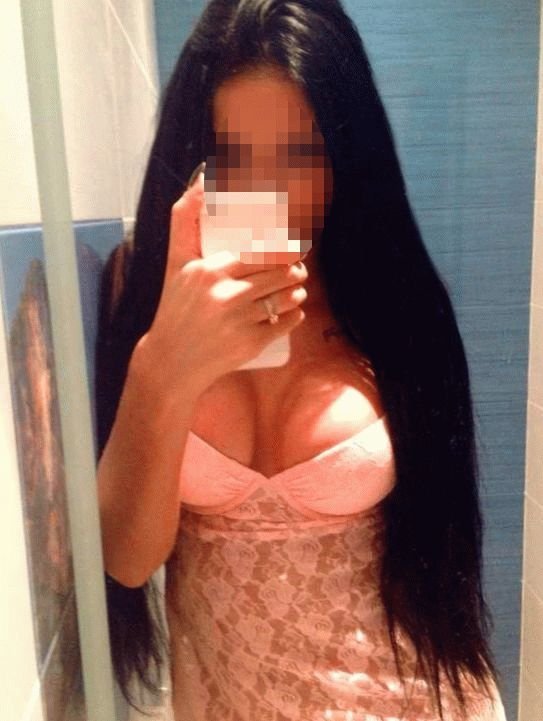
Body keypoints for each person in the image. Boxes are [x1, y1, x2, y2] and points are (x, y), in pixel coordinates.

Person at [95, 1, 508, 719]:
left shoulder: (392, 302)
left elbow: (439, 550)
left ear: (345, 155)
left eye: (301, 153)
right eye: (232, 157)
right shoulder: (144, 293)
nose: (270, 191)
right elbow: (127, 559)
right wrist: (164, 366)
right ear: (191, 160)